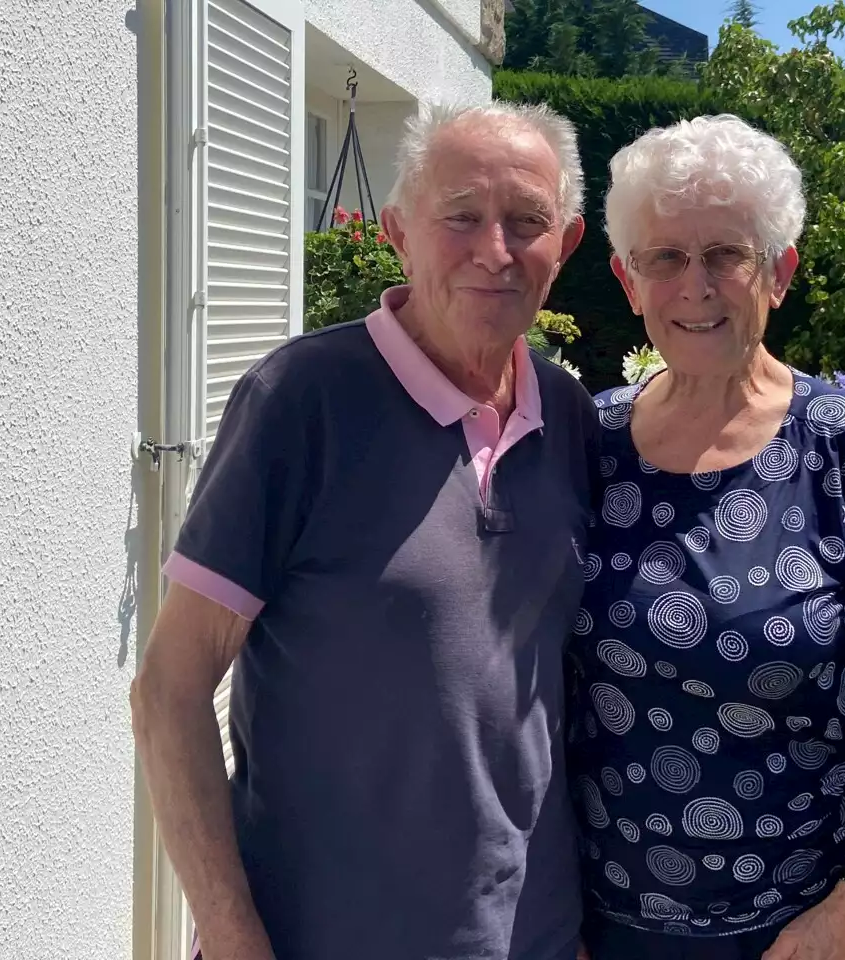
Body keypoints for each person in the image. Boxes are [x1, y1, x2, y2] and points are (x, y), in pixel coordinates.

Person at [131, 101, 599, 960]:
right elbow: (168, 689)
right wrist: (235, 941)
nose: (495, 250)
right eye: (461, 216)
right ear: (398, 232)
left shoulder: (568, 417)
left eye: (527, 222)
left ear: (564, 246)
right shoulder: (300, 403)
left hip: (528, 936)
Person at [565, 115, 845, 960]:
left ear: (780, 271)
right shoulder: (585, 442)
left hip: (804, 930)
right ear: (627, 282)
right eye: (664, 257)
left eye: (725, 255)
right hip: (611, 927)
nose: (694, 286)